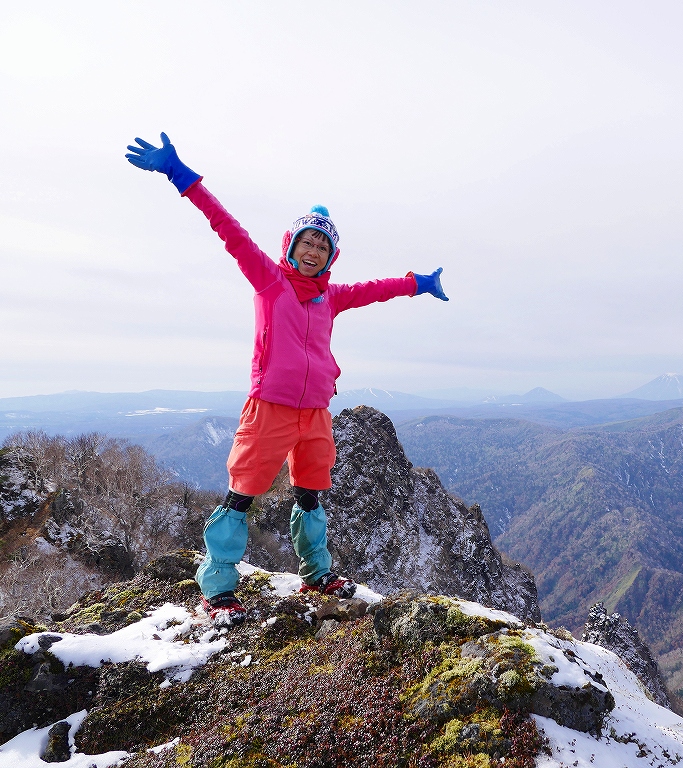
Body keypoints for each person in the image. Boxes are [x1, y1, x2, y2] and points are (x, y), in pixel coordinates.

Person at [126, 133, 448, 626]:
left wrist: (418, 284)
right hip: (270, 407)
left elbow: (375, 289)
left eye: (323, 245)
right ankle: (218, 590)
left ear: (331, 255)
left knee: (311, 494)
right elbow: (227, 229)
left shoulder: (330, 296)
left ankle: (316, 573)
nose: (315, 250)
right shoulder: (268, 280)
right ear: (291, 247)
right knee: (242, 495)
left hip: (316, 410)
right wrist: (180, 175)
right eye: (307, 242)